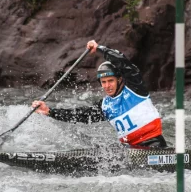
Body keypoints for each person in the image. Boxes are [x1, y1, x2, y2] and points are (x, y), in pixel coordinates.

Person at [32, 40, 167, 148]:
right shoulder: (105, 105)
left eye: (110, 81)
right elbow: (79, 115)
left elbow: (123, 62)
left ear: (119, 80)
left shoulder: (136, 88)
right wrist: (50, 111)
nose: (107, 86)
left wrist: (100, 49)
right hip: (130, 149)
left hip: (153, 144)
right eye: (103, 82)